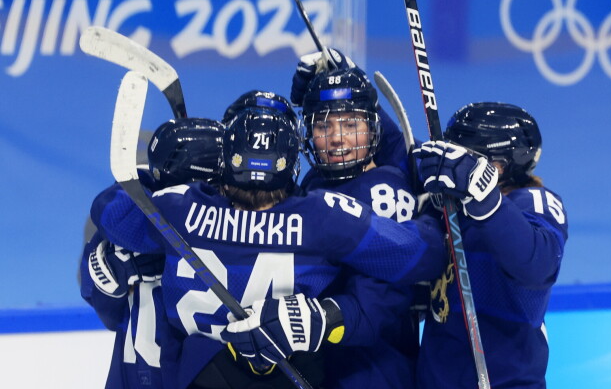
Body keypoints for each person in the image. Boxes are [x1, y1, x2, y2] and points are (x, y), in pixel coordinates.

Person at [91, 97, 446, 388]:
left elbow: (110, 213)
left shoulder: (177, 208)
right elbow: (420, 256)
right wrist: (429, 211)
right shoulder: (322, 216)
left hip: (196, 376)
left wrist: (154, 174)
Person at [221, 52, 430, 389]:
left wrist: (324, 318)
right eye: (323, 125)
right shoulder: (313, 183)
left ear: (372, 128)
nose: (337, 138)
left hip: (372, 372)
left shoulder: (385, 188)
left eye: (350, 124)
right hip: (315, 363)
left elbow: (384, 299)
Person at [412, 102, 569, 388]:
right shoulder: (449, 203)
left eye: (470, 158)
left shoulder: (532, 201)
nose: (457, 166)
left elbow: (538, 265)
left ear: (499, 166)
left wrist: (487, 202)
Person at [80, 117, 225, 388]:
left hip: (140, 376)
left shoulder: (128, 226)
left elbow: (103, 306)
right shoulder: (237, 233)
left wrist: (139, 182)